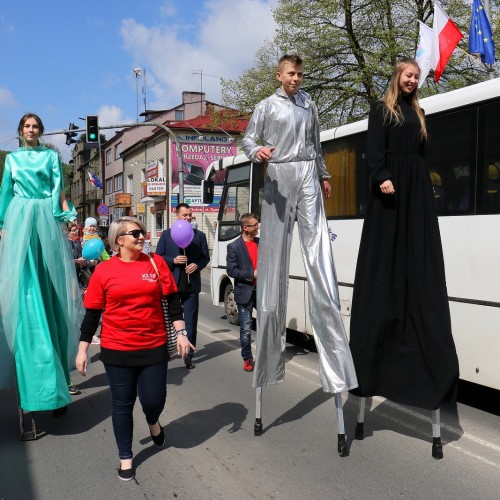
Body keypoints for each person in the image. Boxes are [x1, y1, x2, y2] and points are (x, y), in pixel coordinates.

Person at [241, 55, 358, 393]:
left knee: (319, 254)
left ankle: (336, 361)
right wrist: (257, 151)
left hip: (306, 172)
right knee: (274, 262)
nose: (296, 79)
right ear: (279, 75)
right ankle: (267, 364)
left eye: (300, 74)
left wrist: (323, 173)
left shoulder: (309, 103)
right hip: (278, 176)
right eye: (291, 74)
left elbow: (316, 143)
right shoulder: (266, 106)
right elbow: (248, 140)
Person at [349, 58, 459, 410]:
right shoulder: (383, 108)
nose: (412, 80)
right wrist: (381, 175)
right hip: (391, 186)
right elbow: (374, 149)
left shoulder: (418, 111)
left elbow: (423, 155)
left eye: (416, 76)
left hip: (416, 187)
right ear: (397, 76)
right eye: (407, 75)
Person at [75, 217, 193, 481]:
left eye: (142, 232)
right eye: (136, 233)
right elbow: (92, 314)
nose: (142, 237)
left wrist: (182, 333)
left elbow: (173, 300)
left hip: (153, 346)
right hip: (117, 349)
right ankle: (125, 455)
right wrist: (83, 349)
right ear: (119, 240)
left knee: (154, 399)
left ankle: (153, 421)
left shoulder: (156, 263)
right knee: (122, 405)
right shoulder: (104, 271)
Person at [0, 113, 81, 421]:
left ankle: (60, 378)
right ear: (21, 130)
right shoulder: (12, 160)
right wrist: (2, 223)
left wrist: (65, 215)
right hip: (20, 217)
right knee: (24, 287)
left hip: (43, 217)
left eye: (35, 126)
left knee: (52, 292)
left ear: (40, 131)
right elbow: (6, 192)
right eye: (27, 126)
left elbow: (57, 190)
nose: (31, 130)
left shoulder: (50, 156)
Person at [156, 203, 210, 369]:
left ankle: (188, 354)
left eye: (190, 215)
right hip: (171, 285)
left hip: (191, 286)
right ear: (177, 215)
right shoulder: (166, 235)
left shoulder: (199, 236)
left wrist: (197, 265)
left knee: (190, 321)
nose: (188, 218)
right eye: (184, 215)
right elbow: (158, 257)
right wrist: (172, 261)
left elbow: (205, 257)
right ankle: (165, 351)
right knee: (168, 320)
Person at [226, 213, 259, 372]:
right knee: (246, 329)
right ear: (245, 228)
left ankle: (267, 356)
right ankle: (247, 358)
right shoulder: (234, 246)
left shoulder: (261, 243)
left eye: (257, 224)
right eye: (255, 225)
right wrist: (251, 275)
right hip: (245, 292)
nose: (258, 227)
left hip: (262, 291)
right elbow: (231, 270)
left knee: (268, 325)